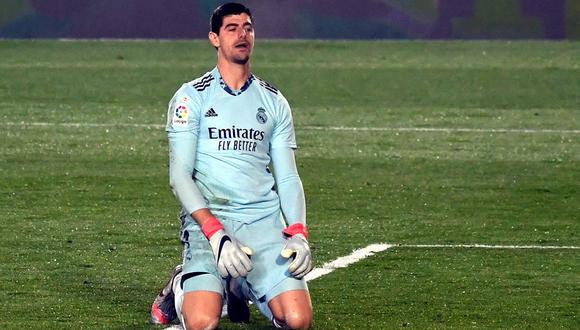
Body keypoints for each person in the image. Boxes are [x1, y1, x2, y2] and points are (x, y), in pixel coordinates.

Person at [150, 3, 313, 329]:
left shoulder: (274, 101)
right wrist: (216, 235)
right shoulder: (191, 97)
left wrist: (298, 232)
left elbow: (288, 175)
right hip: (210, 225)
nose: (242, 34)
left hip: (263, 225)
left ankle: (239, 284)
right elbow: (179, 178)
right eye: (232, 28)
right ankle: (182, 281)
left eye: (248, 28)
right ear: (214, 38)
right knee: (203, 324)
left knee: (298, 321)